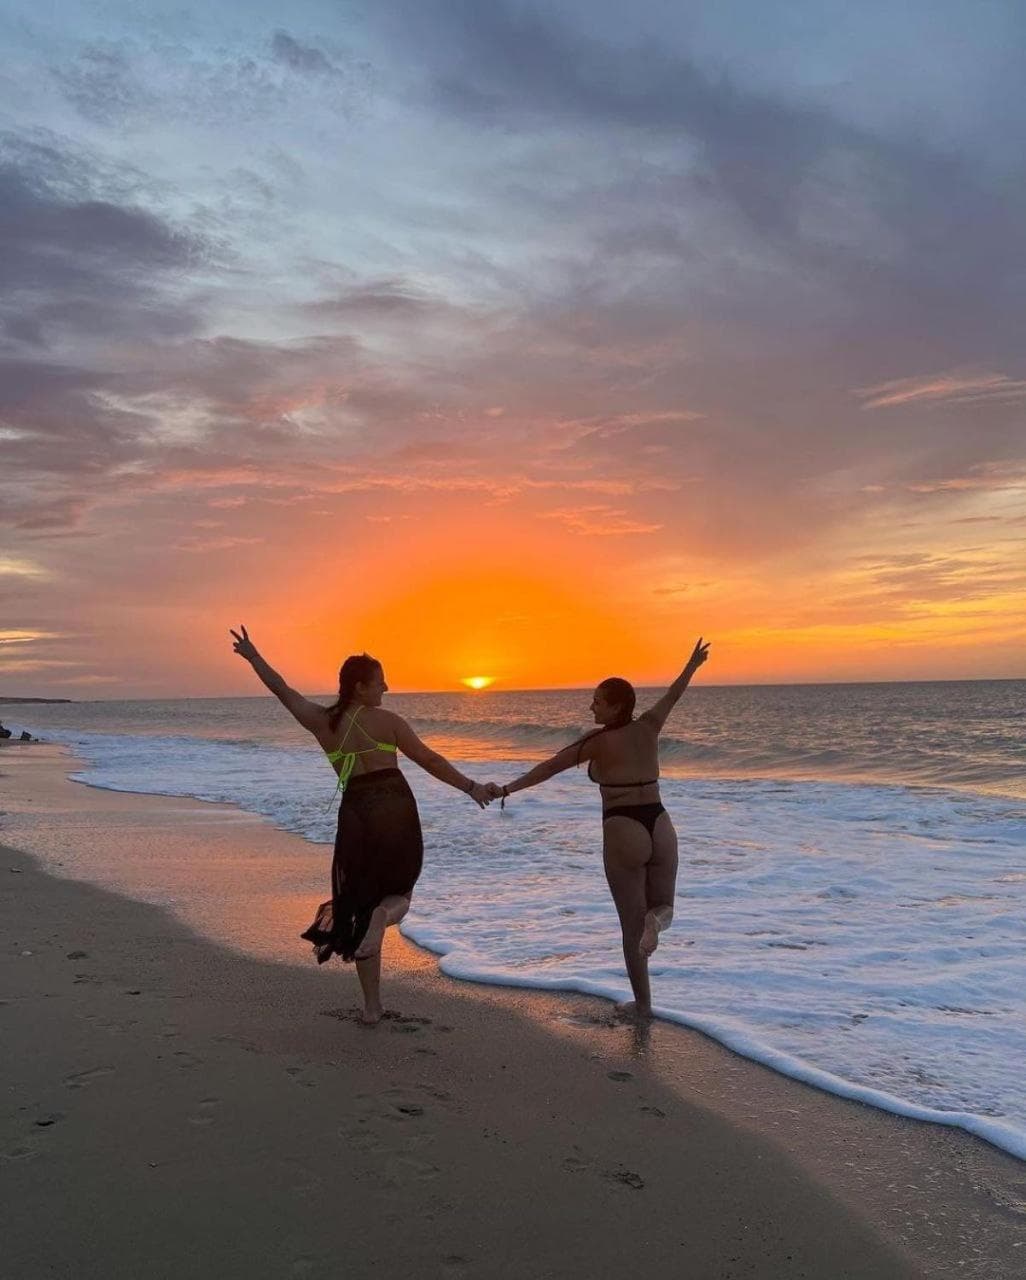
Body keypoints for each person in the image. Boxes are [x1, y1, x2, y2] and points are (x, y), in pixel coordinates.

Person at [230, 626, 493, 1024]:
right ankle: (383, 919)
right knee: (396, 895)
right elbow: (431, 760)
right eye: (379, 681)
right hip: (394, 807)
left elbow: (281, 689)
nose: (386, 686)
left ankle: (372, 1008)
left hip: (355, 812)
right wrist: (471, 787)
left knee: (362, 903)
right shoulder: (388, 721)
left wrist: (253, 656)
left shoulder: (322, 723)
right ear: (360, 687)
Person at [489, 639, 710, 1020]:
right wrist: (692, 665)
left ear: (616, 706)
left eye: (597, 701)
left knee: (630, 926)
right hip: (660, 823)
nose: (591, 706)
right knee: (663, 909)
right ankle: (655, 924)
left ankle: (642, 1006)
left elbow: (549, 767)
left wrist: (507, 788)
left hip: (624, 828)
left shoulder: (597, 741)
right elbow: (674, 695)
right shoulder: (649, 727)